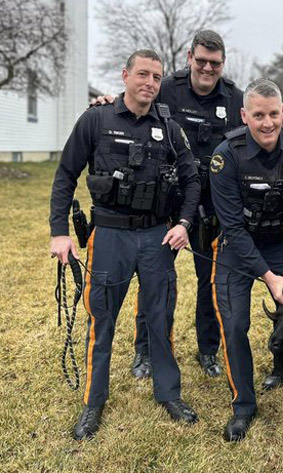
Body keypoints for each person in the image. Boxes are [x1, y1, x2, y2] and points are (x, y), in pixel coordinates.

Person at [49, 49, 201, 440]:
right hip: (109, 236)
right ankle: (93, 402)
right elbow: (65, 175)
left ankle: (168, 394)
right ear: (125, 75)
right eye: (143, 74)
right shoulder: (96, 119)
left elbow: (192, 180)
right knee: (101, 320)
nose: (150, 83)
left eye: (157, 77)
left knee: (160, 319)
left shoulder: (169, 127)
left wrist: (184, 223)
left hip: (156, 237)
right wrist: (59, 231)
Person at [209, 78, 283, 442]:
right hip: (237, 248)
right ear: (244, 115)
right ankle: (243, 406)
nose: (267, 123)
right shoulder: (226, 156)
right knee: (235, 326)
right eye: (258, 115)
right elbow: (232, 227)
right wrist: (268, 276)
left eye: (274, 114)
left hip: (281, 244)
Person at [131, 30, 244, 379]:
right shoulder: (165, 89)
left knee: (209, 281)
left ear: (223, 63)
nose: (208, 68)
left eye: (215, 63)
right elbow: (134, 106)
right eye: (202, 61)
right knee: (155, 279)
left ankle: (208, 350)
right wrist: (106, 101)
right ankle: (145, 350)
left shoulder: (235, 98)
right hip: (166, 202)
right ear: (189, 57)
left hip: (212, 205)